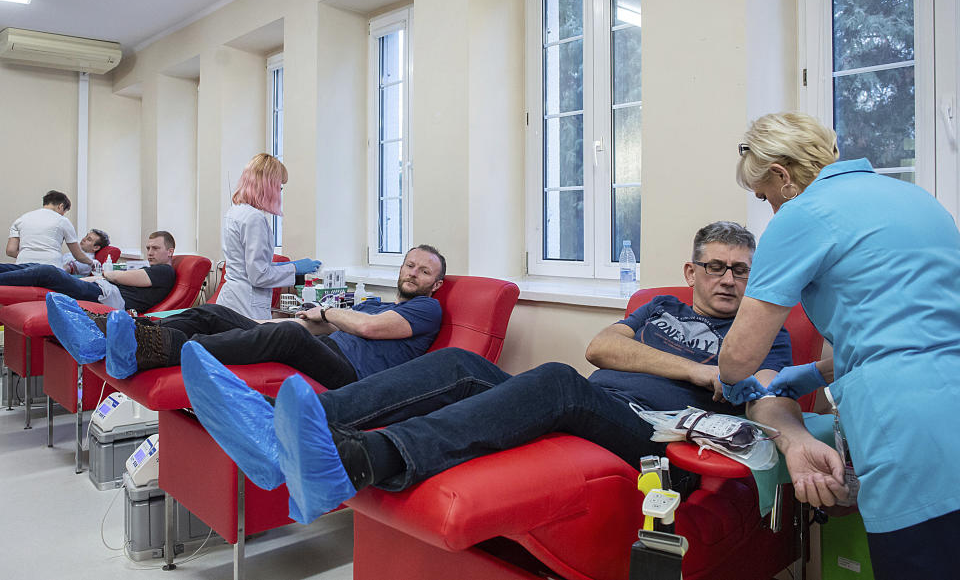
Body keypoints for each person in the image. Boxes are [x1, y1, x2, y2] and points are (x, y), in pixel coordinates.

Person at [178, 222, 792, 522]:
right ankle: (276, 433)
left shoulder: (768, 333)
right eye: (716, 267)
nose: (728, 279)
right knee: (459, 362)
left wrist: (771, 415)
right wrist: (700, 368)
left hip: (654, 450)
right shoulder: (659, 306)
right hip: (594, 405)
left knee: (553, 380)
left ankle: (361, 461)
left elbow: (766, 402)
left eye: (740, 270)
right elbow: (602, 348)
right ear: (692, 271)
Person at [716, 112, 960, 579]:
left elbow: (741, 357)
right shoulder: (916, 199)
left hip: (909, 427)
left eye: (765, 196)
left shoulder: (802, 215)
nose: (770, 209)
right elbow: (906, 328)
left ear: (783, 177)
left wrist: (729, 380)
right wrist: (813, 374)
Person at [89, 244, 446, 386]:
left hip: (350, 374)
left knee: (291, 337)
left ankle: (156, 349)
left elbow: (366, 327)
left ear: (436, 283)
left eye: (424, 272)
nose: (413, 273)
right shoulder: (376, 302)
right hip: (326, 348)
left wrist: (325, 311)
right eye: (410, 265)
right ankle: (134, 331)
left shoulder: (427, 308)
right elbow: (312, 325)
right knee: (215, 313)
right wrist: (255, 325)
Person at [218, 153, 322, 319]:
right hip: (247, 306)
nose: (280, 192)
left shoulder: (235, 211)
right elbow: (258, 276)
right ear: (268, 185)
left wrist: (281, 266)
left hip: (232, 300)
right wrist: (295, 269)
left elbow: (249, 265)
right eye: (279, 186)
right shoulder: (254, 218)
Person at [0, 231, 177, 313]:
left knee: (48, 272)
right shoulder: (153, 269)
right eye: (148, 248)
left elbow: (117, 276)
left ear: (170, 251)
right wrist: (89, 280)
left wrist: (103, 276)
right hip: (101, 289)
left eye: (155, 248)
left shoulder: (164, 272)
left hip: (107, 297)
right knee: (36, 268)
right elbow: (113, 277)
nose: (150, 252)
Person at [5, 190, 95, 270]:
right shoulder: (63, 221)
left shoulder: (21, 219)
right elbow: (78, 255)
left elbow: (10, 251)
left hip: (23, 267)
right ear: (61, 206)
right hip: (51, 268)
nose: (63, 214)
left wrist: (30, 257)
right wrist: (92, 263)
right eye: (64, 212)